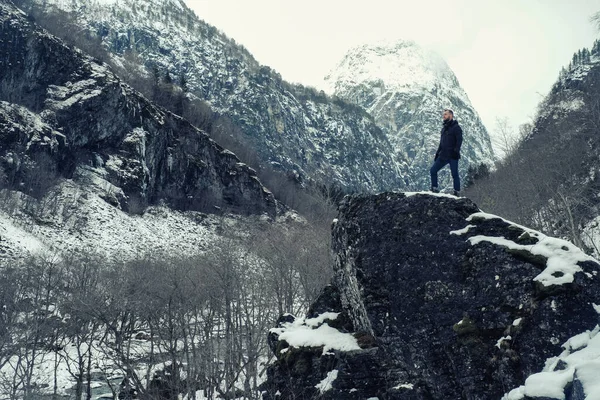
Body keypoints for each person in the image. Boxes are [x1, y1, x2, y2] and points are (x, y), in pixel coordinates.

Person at [430, 108, 463, 196]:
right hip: (443, 155)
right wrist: (437, 153)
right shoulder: (444, 129)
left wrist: (456, 151)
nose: (443, 116)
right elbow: (441, 143)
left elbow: (459, 140)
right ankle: (434, 188)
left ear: (451, 116)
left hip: (453, 156)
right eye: (443, 114)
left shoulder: (456, 127)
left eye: (445, 114)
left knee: (455, 174)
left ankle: (457, 192)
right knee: (433, 170)